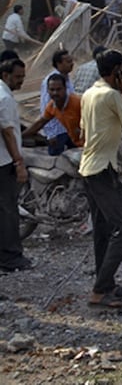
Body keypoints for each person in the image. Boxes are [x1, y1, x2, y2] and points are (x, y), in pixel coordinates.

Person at [80, 49, 122, 308]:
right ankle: (99, 290)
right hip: (102, 170)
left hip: (92, 167)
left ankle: (106, 284)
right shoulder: (111, 95)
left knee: (104, 230)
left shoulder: (89, 93)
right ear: (117, 71)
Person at [0, 58, 30, 272]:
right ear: (5, 75)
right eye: (18, 77)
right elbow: (8, 132)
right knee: (8, 210)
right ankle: (11, 257)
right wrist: (18, 162)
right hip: (4, 162)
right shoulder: (5, 99)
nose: (21, 81)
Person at [25, 73, 83, 155]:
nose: (55, 93)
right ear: (47, 90)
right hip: (76, 142)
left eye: (59, 89)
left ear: (65, 89)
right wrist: (20, 137)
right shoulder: (52, 106)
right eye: (52, 90)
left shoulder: (77, 103)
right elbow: (40, 123)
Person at [38, 49, 75, 146]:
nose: (72, 64)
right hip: (57, 131)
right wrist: (51, 133)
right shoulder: (51, 82)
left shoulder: (67, 79)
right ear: (59, 64)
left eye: (71, 61)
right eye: (68, 62)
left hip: (68, 129)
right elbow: (45, 107)